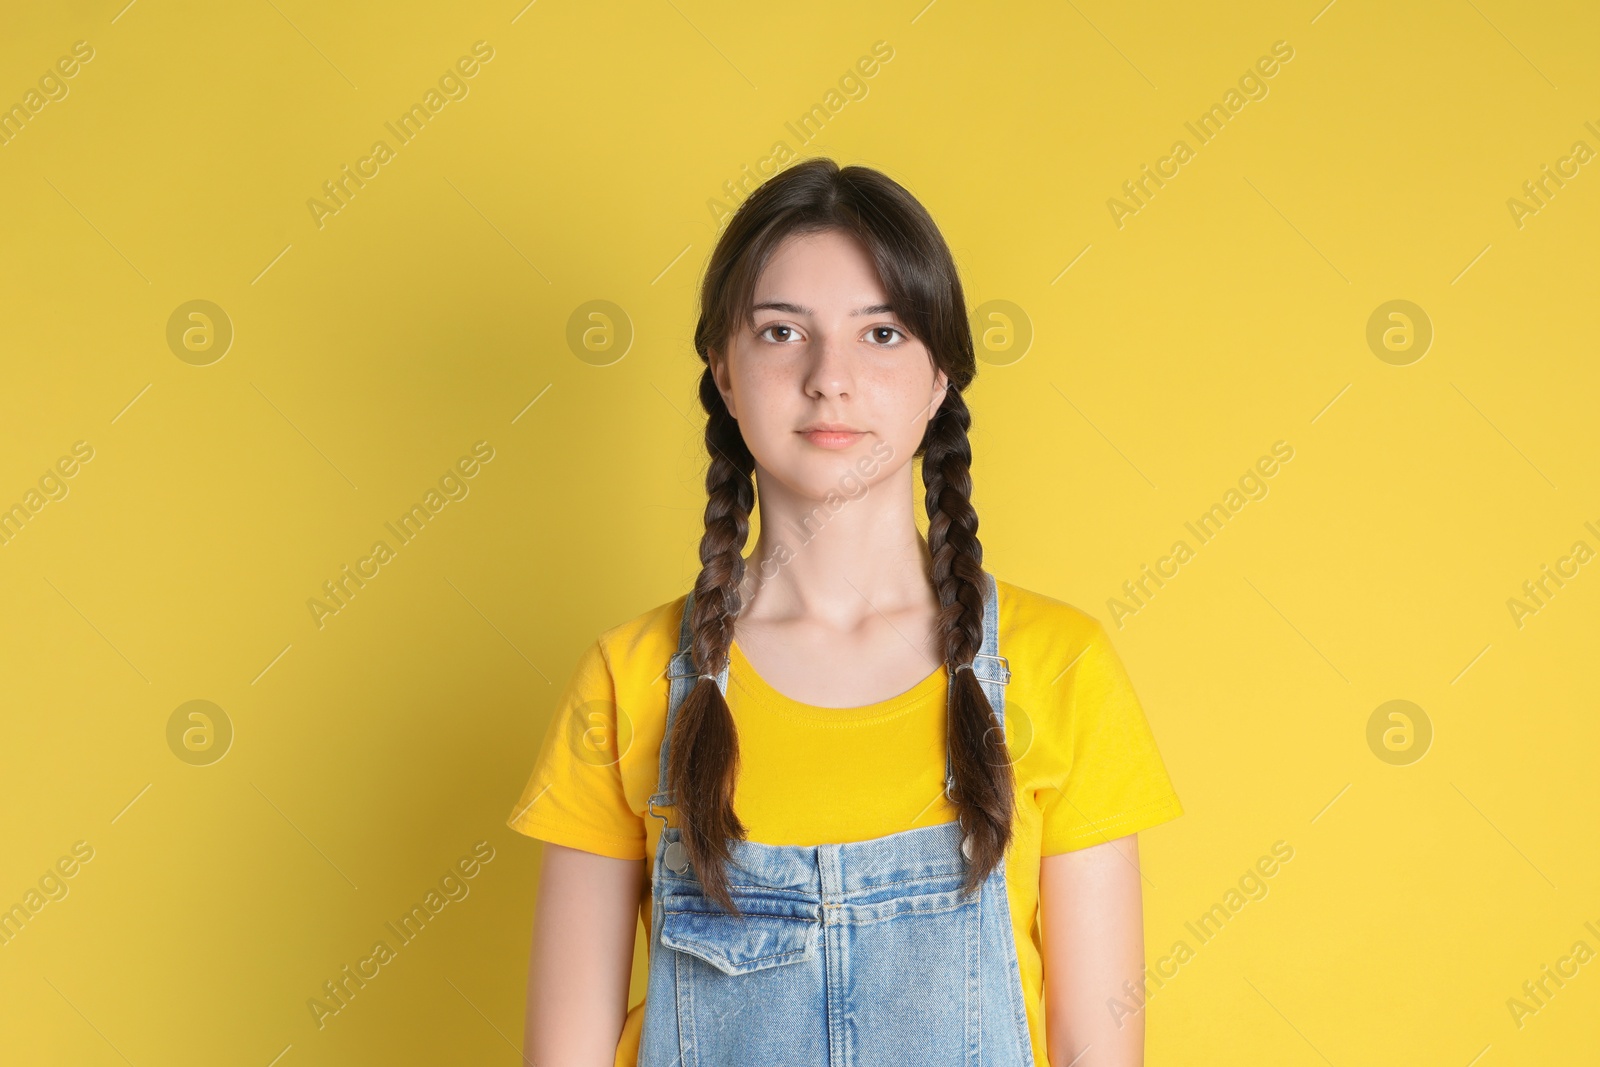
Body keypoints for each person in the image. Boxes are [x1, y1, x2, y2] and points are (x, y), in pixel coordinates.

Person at [509, 157, 1183, 1067]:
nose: (831, 376)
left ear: (941, 376)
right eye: (783, 331)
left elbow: (1095, 1052)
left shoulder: (1061, 665)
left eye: (884, 334)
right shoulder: (628, 679)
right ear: (722, 369)